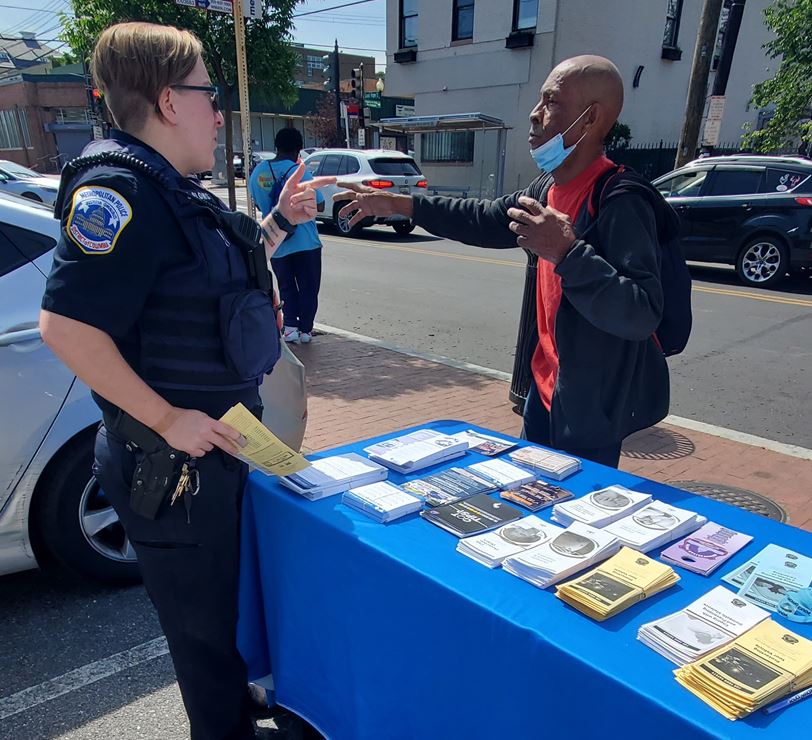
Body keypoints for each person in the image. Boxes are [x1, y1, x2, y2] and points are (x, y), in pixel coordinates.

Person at [39, 22, 333, 739]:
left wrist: (277, 221)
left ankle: (242, 709)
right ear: (171, 101)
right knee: (206, 649)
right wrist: (169, 420)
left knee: (233, 624)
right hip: (175, 472)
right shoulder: (118, 193)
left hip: (220, 453)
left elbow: (204, 282)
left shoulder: (168, 190)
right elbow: (65, 327)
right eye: (211, 93)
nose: (218, 110)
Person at [336, 55, 677, 468]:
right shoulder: (546, 188)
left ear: (590, 119)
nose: (535, 115)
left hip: (590, 411)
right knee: (522, 499)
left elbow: (641, 312)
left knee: (568, 523)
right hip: (542, 390)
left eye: (551, 102)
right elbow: (483, 218)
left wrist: (569, 253)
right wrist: (396, 203)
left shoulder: (621, 200)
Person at [249, 128, 324, 344]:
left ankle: (289, 327)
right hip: (306, 241)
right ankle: (305, 330)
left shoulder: (259, 173)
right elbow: (319, 203)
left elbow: (259, 202)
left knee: (286, 285)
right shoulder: (299, 171)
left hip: (275, 241)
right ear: (298, 149)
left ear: (276, 146)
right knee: (309, 287)